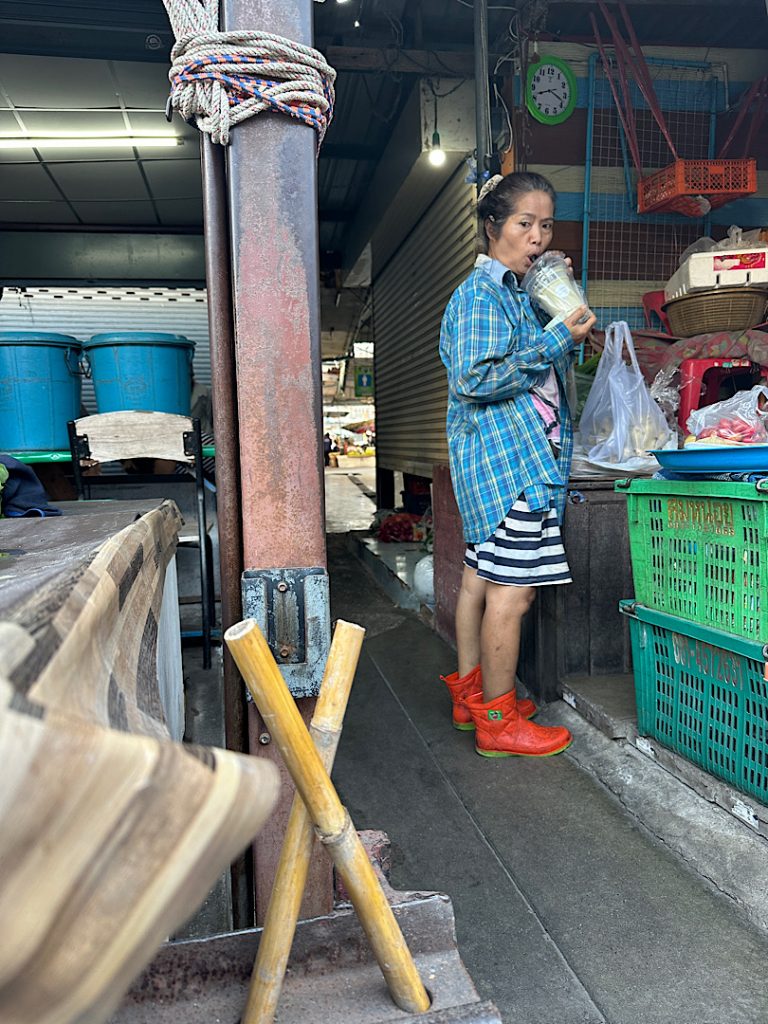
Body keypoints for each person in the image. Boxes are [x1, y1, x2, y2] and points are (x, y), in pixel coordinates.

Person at [438, 171, 596, 759]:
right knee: (514, 593)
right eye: (524, 223)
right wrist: (555, 340)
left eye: (545, 224)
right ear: (493, 227)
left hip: (513, 458)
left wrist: (561, 303)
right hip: (511, 464)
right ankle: (497, 723)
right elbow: (475, 377)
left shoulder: (515, 292)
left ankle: (472, 695)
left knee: (482, 579)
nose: (537, 236)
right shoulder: (481, 294)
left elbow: (540, 363)